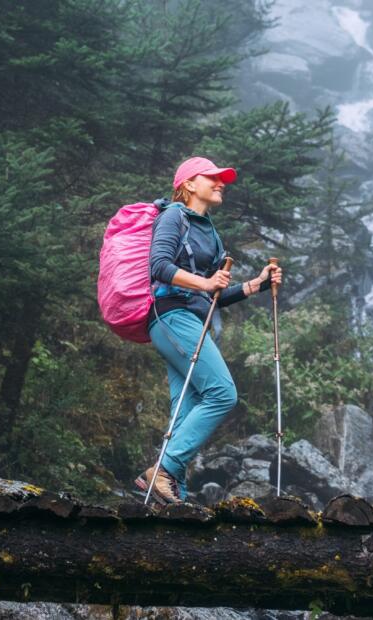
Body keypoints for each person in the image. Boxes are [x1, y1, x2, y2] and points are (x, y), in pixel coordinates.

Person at [135, 156, 282, 505]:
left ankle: (174, 499)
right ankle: (162, 470)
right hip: (172, 317)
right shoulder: (173, 216)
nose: (221, 183)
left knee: (185, 411)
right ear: (188, 184)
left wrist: (257, 285)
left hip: (192, 322)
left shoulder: (210, 231)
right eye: (212, 178)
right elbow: (159, 266)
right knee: (221, 393)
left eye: (223, 180)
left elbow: (215, 295)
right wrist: (203, 282)